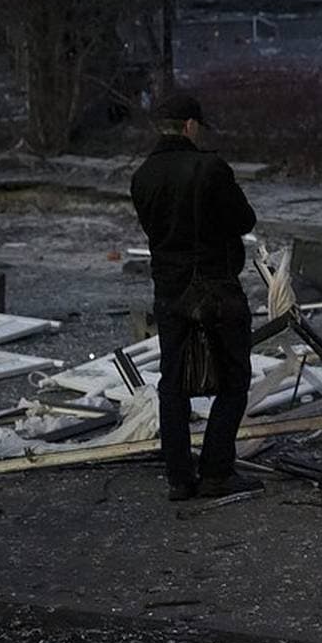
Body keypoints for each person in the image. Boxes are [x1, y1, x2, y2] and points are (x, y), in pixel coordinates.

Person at [129, 90, 259, 502]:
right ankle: (217, 470)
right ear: (190, 126)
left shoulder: (142, 176)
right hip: (215, 287)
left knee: (172, 384)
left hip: (168, 290)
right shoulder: (210, 168)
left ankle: (179, 478)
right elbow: (244, 220)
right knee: (235, 379)